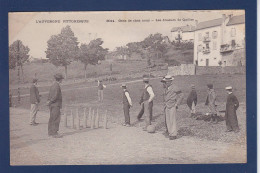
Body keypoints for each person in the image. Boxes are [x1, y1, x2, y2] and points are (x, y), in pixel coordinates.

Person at [162, 75, 183, 140]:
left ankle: (173, 134)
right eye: (165, 81)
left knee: (172, 120)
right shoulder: (165, 88)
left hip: (172, 105)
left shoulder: (175, 87)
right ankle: (170, 133)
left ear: (171, 81)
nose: (166, 83)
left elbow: (181, 95)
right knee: (168, 120)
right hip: (167, 106)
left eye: (168, 81)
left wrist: (177, 104)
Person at [47, 73, 64, 138]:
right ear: (60, 80)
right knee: (56, 118)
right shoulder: (57, 86)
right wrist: (51, 101)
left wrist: (49, 102)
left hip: (52, 105)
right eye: (62, 79)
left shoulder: (53, 85)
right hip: (55, 105)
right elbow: (55, 96)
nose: (62, 80)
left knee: (51, 118)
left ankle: (50, 132)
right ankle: (55, 133)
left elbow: (49, 95)